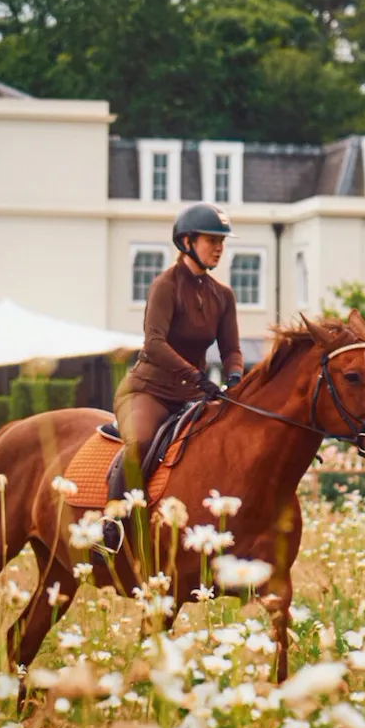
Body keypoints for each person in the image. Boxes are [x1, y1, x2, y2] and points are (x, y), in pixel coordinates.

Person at [103, 202, 245, 551]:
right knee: (140, 441)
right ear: (186, 241)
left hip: (192, 396)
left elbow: (231, 350)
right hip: (148, 391)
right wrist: (198, 377)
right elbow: (154, 344)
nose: (219, 248)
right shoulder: (165, 286)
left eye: (222, 241)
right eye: (212, 240)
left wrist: (236, 376)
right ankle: (111, 525)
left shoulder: (223, 295)